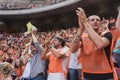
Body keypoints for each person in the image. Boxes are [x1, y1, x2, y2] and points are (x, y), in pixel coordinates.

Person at [73, 7, 114, 80]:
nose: (95, 21)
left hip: (105, 74)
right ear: (88, 23)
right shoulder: (83, 37)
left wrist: (85, 23)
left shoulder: (107, 34)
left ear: (100, 23)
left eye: (97, 20)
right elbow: (72, 49)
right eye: (92, 20)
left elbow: (100, 44)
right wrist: (81, 30)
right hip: (87, 74)